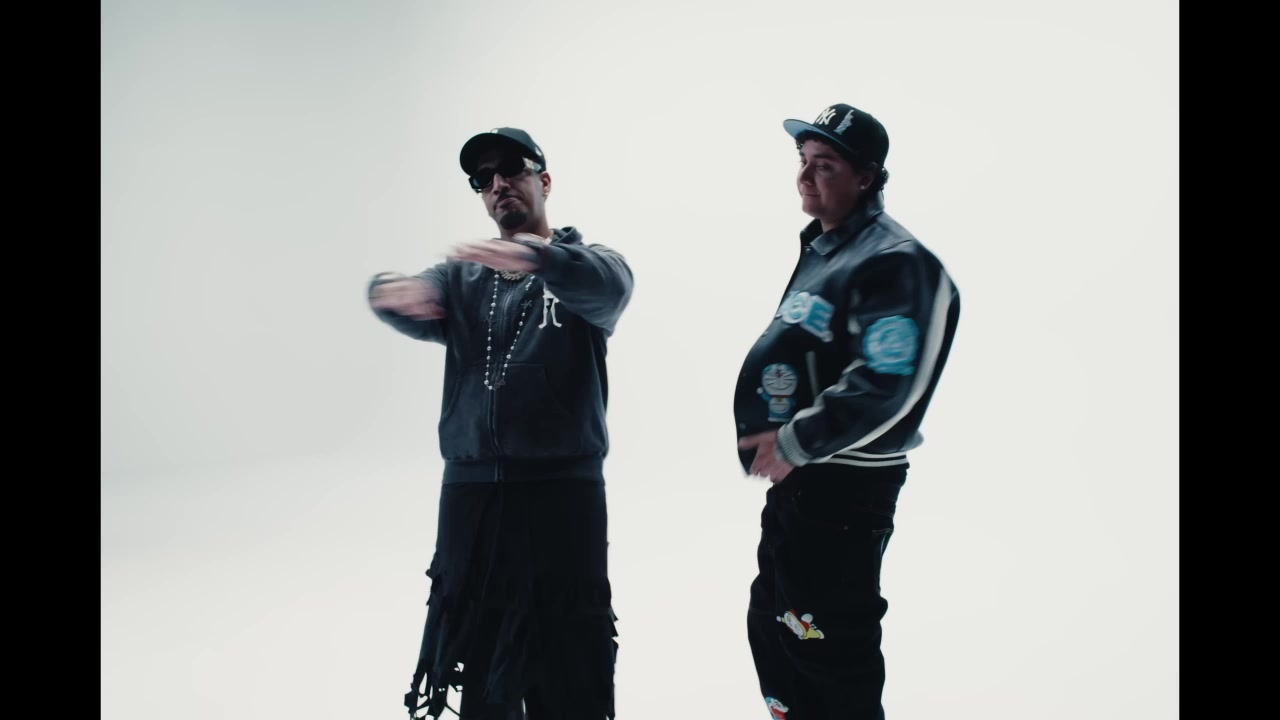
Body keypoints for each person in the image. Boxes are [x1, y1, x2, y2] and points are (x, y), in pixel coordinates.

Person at [367, 127, 633, 719]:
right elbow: (407, 295)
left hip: (561, 493)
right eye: (482, 178)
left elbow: (612, 287)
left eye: (512, 168)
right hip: (471, 497)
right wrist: (388, 291)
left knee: (569, 664)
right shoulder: (460, 277)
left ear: (545, 180)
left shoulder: (587, 267)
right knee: (482, 669)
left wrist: (538, 257)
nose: (497, 184)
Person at [734, 103, 961, 719]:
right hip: (803, 482)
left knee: (826, 646)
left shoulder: (896, 260)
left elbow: (887, 383)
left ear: (866, 177)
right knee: (776, 626)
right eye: (803, 160)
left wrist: (793, 442)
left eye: (826, 164)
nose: (805, 176)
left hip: (845, 490)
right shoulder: (829, 250)